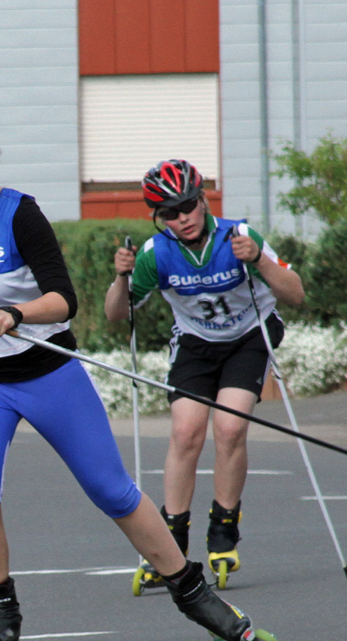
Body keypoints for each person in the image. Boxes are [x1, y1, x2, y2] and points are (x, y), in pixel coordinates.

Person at [0, 106, 281, 641]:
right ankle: (0, 621)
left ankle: (200, 600)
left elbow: (63, 299)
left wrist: (18, 314)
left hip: (46, 370)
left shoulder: (20, 215)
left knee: (112, 490)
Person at [104, 159, 304, 589]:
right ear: (160, 219)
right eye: (170, 214)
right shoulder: (155, 254)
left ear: (203, 200)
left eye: (188, 206)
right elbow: (116, 315)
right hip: (196, 343)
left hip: (249, 336)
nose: (183, 218)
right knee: (186, 432)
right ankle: (169, 543)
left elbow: (296, 293)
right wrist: (120, 279)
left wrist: (261, 264)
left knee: (230, 428)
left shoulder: (239, 237)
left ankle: (223, 533)